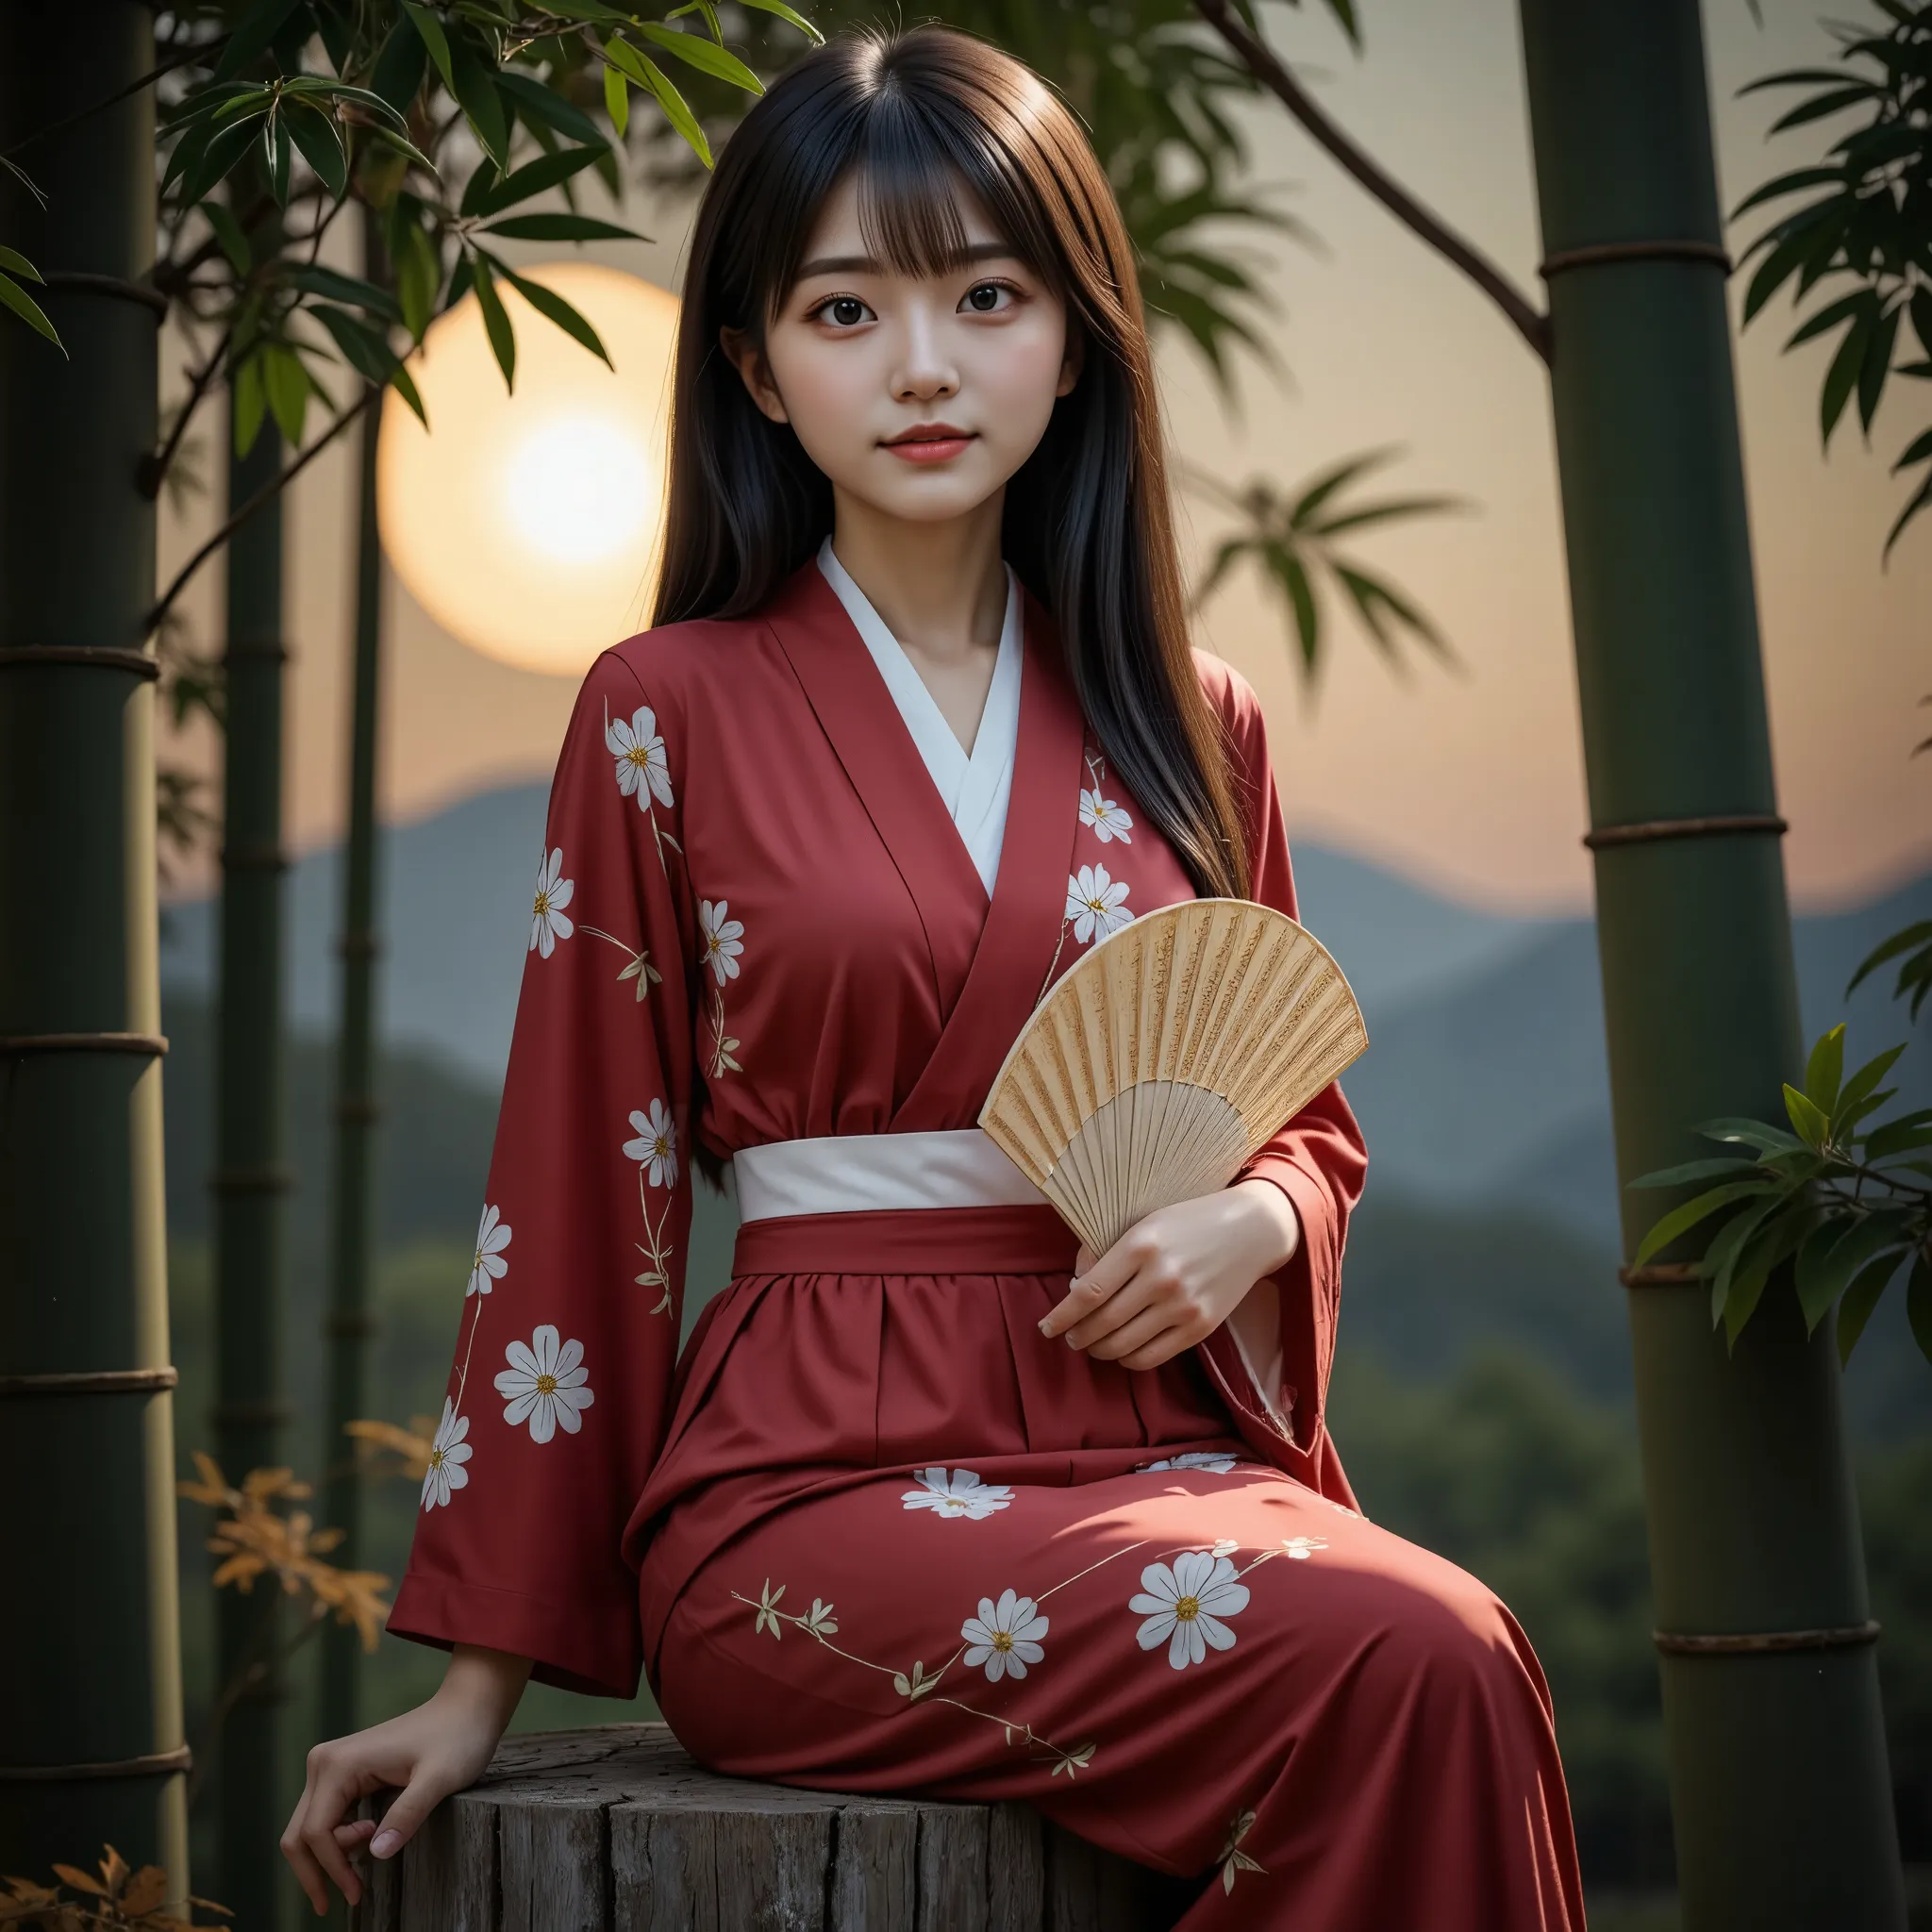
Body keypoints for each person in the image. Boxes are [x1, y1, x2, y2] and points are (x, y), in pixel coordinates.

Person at [281, 26, 1585, 1928]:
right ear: (752, 362)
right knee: (1406, 1660)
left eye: (986, 294)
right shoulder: (662, 713)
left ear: (1075, 334)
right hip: (807, 1491)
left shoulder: (1192, 719)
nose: (921, 364)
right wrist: (478, 1676)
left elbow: (1296, 1112)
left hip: (1155, 1447)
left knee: (1452, 1650)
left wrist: (1253, 1217)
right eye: (844, 308)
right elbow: (583, 1195)